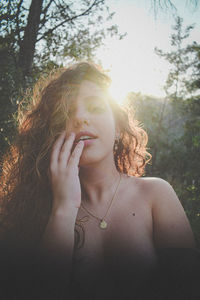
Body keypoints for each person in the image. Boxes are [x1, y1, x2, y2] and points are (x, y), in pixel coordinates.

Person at [0, 61, 199, 300]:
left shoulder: (156, 195)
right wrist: (63, 208)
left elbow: (189, 288)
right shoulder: (35, 209)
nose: (81, 118)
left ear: (117, 128)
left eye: (94, 107)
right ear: (51, 133)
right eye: (67, 112)